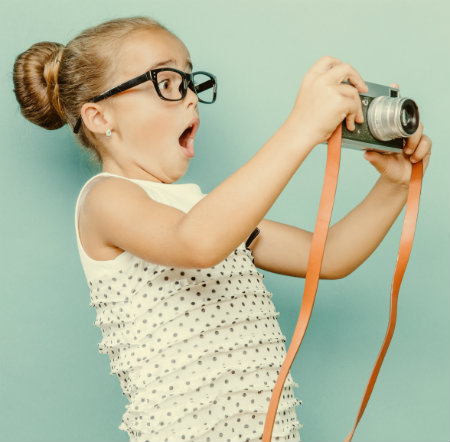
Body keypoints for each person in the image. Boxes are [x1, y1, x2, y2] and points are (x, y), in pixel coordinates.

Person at [12, 16, 431, 442]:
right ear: (100, 117)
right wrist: (301, 128)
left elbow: (330, 255)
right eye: (169, 82)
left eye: (192, 83)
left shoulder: (207, 213)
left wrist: (394, 185)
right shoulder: (105, 200)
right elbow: (196, 242)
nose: (191, 97)